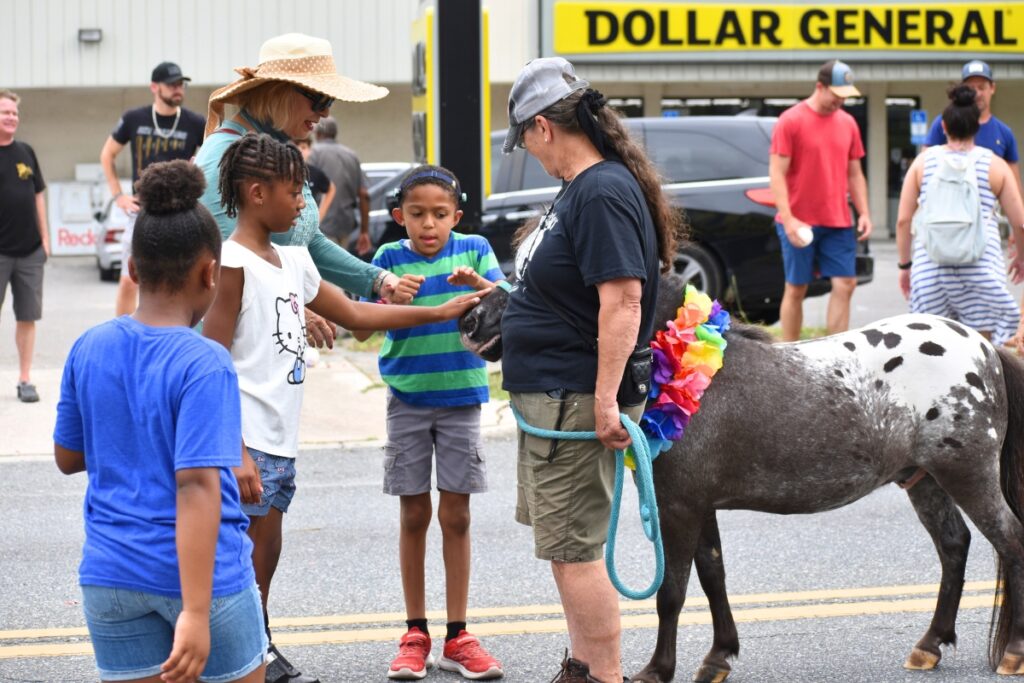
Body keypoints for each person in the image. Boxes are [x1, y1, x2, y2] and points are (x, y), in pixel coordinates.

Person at [201, 134, 487, 683]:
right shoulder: (233, 263)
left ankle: (256, 647)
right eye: (295, 192)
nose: (305, 204)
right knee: (241, 556)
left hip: (280, 438)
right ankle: (242, 656)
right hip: (248, 440)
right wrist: (232, 449)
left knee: (267, 549)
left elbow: (357, 315)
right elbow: (211, 359)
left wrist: (436, 313)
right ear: (257, 194)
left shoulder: (289, 257)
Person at [499, 57, 678, 683]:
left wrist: (606, 400)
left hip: (575, 398)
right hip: (557, 395)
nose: (526, 148)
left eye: (523, 135)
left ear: (544, 126)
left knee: (576, 552)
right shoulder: (585, 188)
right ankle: (584, 666)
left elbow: (624, 298)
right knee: (565, 547)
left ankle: (604, 676)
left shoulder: (599, 190)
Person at [53, 160, 266, 683]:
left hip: (110, 575)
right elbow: (196, 485)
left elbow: (68, 457)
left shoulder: (89, 346)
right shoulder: (203, 361)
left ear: (131, 268)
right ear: (210, 273)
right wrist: (194, 613)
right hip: (202, 582)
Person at [351, 166, 505, 681]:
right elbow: (366, 324)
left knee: (456, 516)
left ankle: (458, 635)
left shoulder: (476, 249)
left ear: (456, 217)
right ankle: (415, 631)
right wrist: (389, 296)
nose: (429, 224)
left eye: (440, 214)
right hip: (408, 401)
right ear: (399, 216)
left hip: (462, 400)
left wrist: (479, 285)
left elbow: (505, 305)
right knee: (414, 514)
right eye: (417, 214)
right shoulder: (390, 261)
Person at [196, 32, 411, 355]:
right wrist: (299, 307)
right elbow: (234, 265)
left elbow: (307, 241)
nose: (325, 113)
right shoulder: (223, 156)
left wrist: (377, 281)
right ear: (280, 92)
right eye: (319, 99)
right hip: (231, 352)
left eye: (329, 101)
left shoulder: (276, 151)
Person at [897, 84, 1024, 345]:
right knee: (981, 353)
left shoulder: (923, 163)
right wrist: (1021, 258)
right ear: (977, 126)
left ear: (943, 127)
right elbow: (1019, 222)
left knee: (932, 350)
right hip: (981, 272)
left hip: (930, 271)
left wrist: (905, 265)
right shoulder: (995, 165)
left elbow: (903, 221)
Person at [768, 59, 872, 342]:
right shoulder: (791, 120)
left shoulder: (848, 123)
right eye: (836, 94)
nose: (840, 100)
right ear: (820, 87)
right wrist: (788, 219)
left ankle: (834, 352)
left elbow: (855, 173)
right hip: (798, 220)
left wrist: (864, 212)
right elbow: (777, 173)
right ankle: (788, 354)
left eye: (845, 96)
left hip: (837, 219)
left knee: (846, 283)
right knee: (796, 288)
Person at [100, 61, 206, 317]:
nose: (178, 89)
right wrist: (118, 196)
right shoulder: (134, 119)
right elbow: (107, 154)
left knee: (182, 279)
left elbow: (212, 159)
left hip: (182, 211)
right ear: (154, 87)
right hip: (142, 209)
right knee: (129, 278)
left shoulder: (195, 122)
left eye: (181, 84)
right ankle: (124, 336)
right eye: (172, 84)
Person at [0, 89, 48, 403]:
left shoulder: (26, 151)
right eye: (5, 112)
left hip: (30, 250)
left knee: (27, 317)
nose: (11, 117)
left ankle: (25, 379)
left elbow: (38, 195)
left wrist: (45, 239)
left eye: (14, 113)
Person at [924, 60, 1021, 195]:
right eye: (971, 88)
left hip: (987, 211)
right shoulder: (945, 121)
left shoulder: (1004, 133)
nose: (977, 94)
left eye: (982, 87)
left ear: (992, 88)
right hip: (947, 207)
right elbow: (924, 168)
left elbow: (1015, 190)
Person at [310, 116, 371, 254]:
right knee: (339, 269)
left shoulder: (313, 153)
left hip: (320, 225)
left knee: (323, 272)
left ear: (317, 133)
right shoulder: (352, 155)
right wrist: (364, 231)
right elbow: (364, 194)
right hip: (345, 226)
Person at [295, 136, 336, 221]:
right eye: (295, 146)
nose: (299, 150)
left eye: (303, 147)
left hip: (306, 224)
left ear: (310, 151)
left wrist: (319, 216)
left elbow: (331, 188)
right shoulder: (281, 172)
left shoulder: (314, 173)